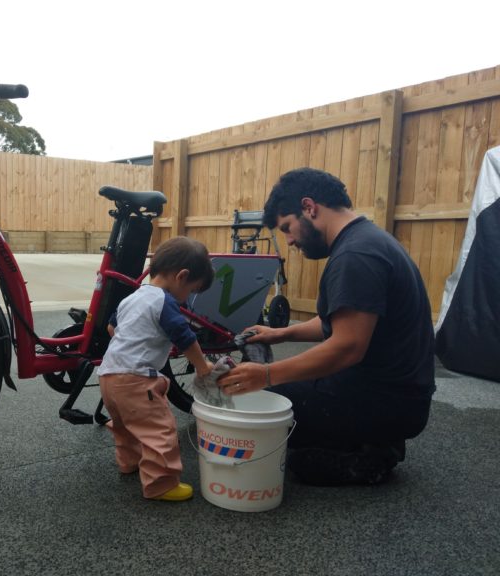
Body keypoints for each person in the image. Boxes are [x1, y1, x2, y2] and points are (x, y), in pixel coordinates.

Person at [218, 167, 435, 486]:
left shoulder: (356, 255)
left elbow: (347, 346)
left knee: (256, 406)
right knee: (276, 399)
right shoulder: (369, 240)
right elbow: (339, 323)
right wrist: (281, 333)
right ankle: (371, 438)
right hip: (401, 397)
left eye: (287, 227)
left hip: (384, 400)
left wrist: (265, 375)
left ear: (309, 207)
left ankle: (368, 454)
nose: (289, 241)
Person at [98, 236, 215, 501]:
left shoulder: (133, 297)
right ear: (182, 277)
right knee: (159, 429)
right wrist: (202, 366)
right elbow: (184, 337)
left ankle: (129, 463)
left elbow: (111, 328)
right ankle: (162, 484)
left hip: (108, 376)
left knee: (125, 426)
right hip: (136, 380)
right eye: (191, 291)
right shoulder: (165, 302)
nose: (187, 299)